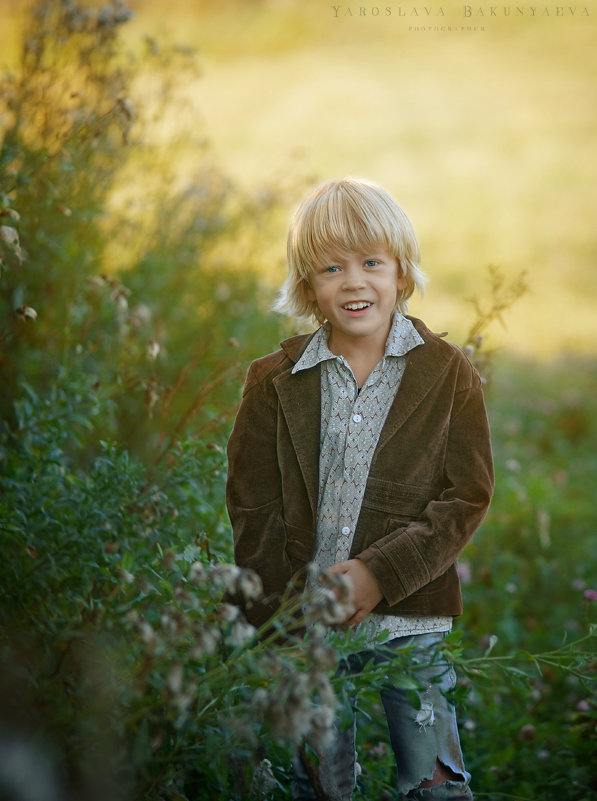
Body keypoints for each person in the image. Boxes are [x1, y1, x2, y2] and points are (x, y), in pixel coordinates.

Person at [226, 177, 494, 800]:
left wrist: (378, 573)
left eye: (372, 262)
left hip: (410, 612)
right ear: (308, 288)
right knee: (319, 781)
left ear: (401, 274)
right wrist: (274, 619)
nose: (354, 281)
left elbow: (466, 497)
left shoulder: (447, 373)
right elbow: (252, 506)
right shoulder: (273, 382)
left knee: (433, 779)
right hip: (307, 615)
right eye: (331, 268)